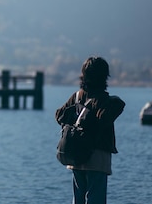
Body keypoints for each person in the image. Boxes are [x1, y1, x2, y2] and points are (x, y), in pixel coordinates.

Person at [55, 56, 125, 204]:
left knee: (78, 198)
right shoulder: (104, 100)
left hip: (76, 154)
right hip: (97, 155)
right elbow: (104, 119)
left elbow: (59, 115)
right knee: (96, 198)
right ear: (104, 77)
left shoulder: (77, 97)